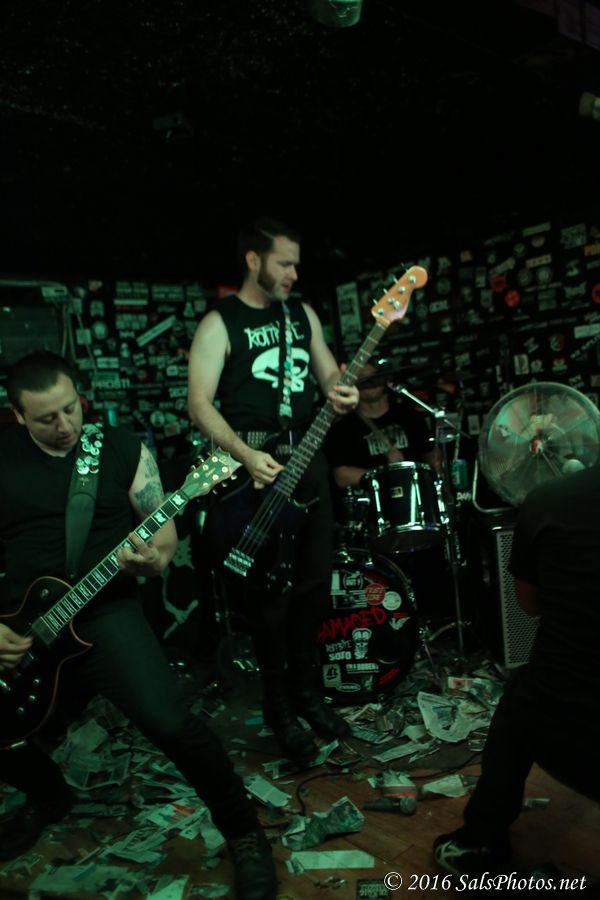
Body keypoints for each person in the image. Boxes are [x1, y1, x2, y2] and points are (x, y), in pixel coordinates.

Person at [0, 351, 276, 900]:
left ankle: (244, 833)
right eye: (46, 418)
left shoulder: (121, 449)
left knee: (170, 722)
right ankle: (48, 794)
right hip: (19, 625)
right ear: (18, 416)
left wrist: (154, 560)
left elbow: (164, 537)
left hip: (104, 613)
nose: (65, 426)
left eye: (70, 409)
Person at [187, 217, 359, 764]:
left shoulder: (301, 314)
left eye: (296, 264)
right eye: (284, 262)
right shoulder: (220, 323)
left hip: (308, 461)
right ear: (253, 260)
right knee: (271, 598)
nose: (293, 273)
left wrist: (342, 392)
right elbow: (198, 404)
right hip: (254, 467)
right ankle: (279, 707)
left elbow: (328, 376)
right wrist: (242, 454)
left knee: (313, 587)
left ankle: (309, 696)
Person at [433, 464, 600, 877]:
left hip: (557, 728)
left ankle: (480, 841)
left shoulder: (545, 501)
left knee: (519, 695)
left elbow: (529, 603)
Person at [326, 358, 439, 491]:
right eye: (363, 379)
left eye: (374, 377)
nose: (370, 382)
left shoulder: (408, 415)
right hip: (374, 497)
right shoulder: (343, 427)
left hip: (415, 491)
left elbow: (430, 456)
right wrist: (387, 473)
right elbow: (341, 476)